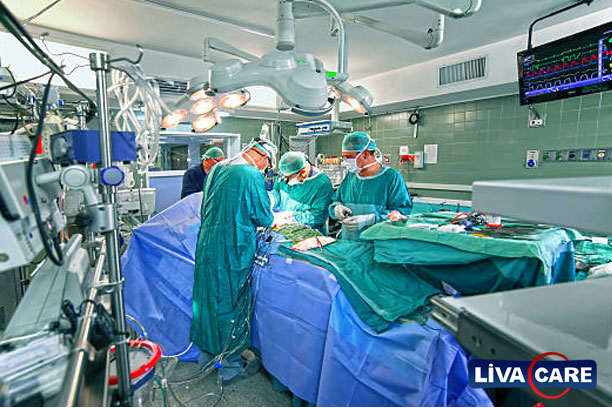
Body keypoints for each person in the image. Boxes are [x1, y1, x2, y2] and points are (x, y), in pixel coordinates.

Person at [190, 138, 277, 382]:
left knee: (207, 299)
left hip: (208, 244)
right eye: (267, 165)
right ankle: (230, 365)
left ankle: (207, 356)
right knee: (229, 301)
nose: (265, 169)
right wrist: (274, 214)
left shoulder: (219, 168)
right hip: (232, 248)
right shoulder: (250, 173)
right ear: (263, 157)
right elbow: (263, 217)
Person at [329, 131, 413, 241]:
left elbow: (402, 213)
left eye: (349, 157)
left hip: (377, 245)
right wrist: (336, 208)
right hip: (349, 242)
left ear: (365, 154)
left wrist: (372, 219)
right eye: (344, 157)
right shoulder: (350, 177)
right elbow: (336, 200)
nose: (345, 162)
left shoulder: (391, 177)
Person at [271, 151, 334, 234]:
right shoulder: (286, 173)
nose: (284, 179)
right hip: (283, 230)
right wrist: (271, 200)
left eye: (289, 177)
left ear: (303, 172)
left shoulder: (322, 184)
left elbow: (318, 218)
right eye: (283, 176)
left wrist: (290, 217)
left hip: (309, 233)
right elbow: (277, 192)